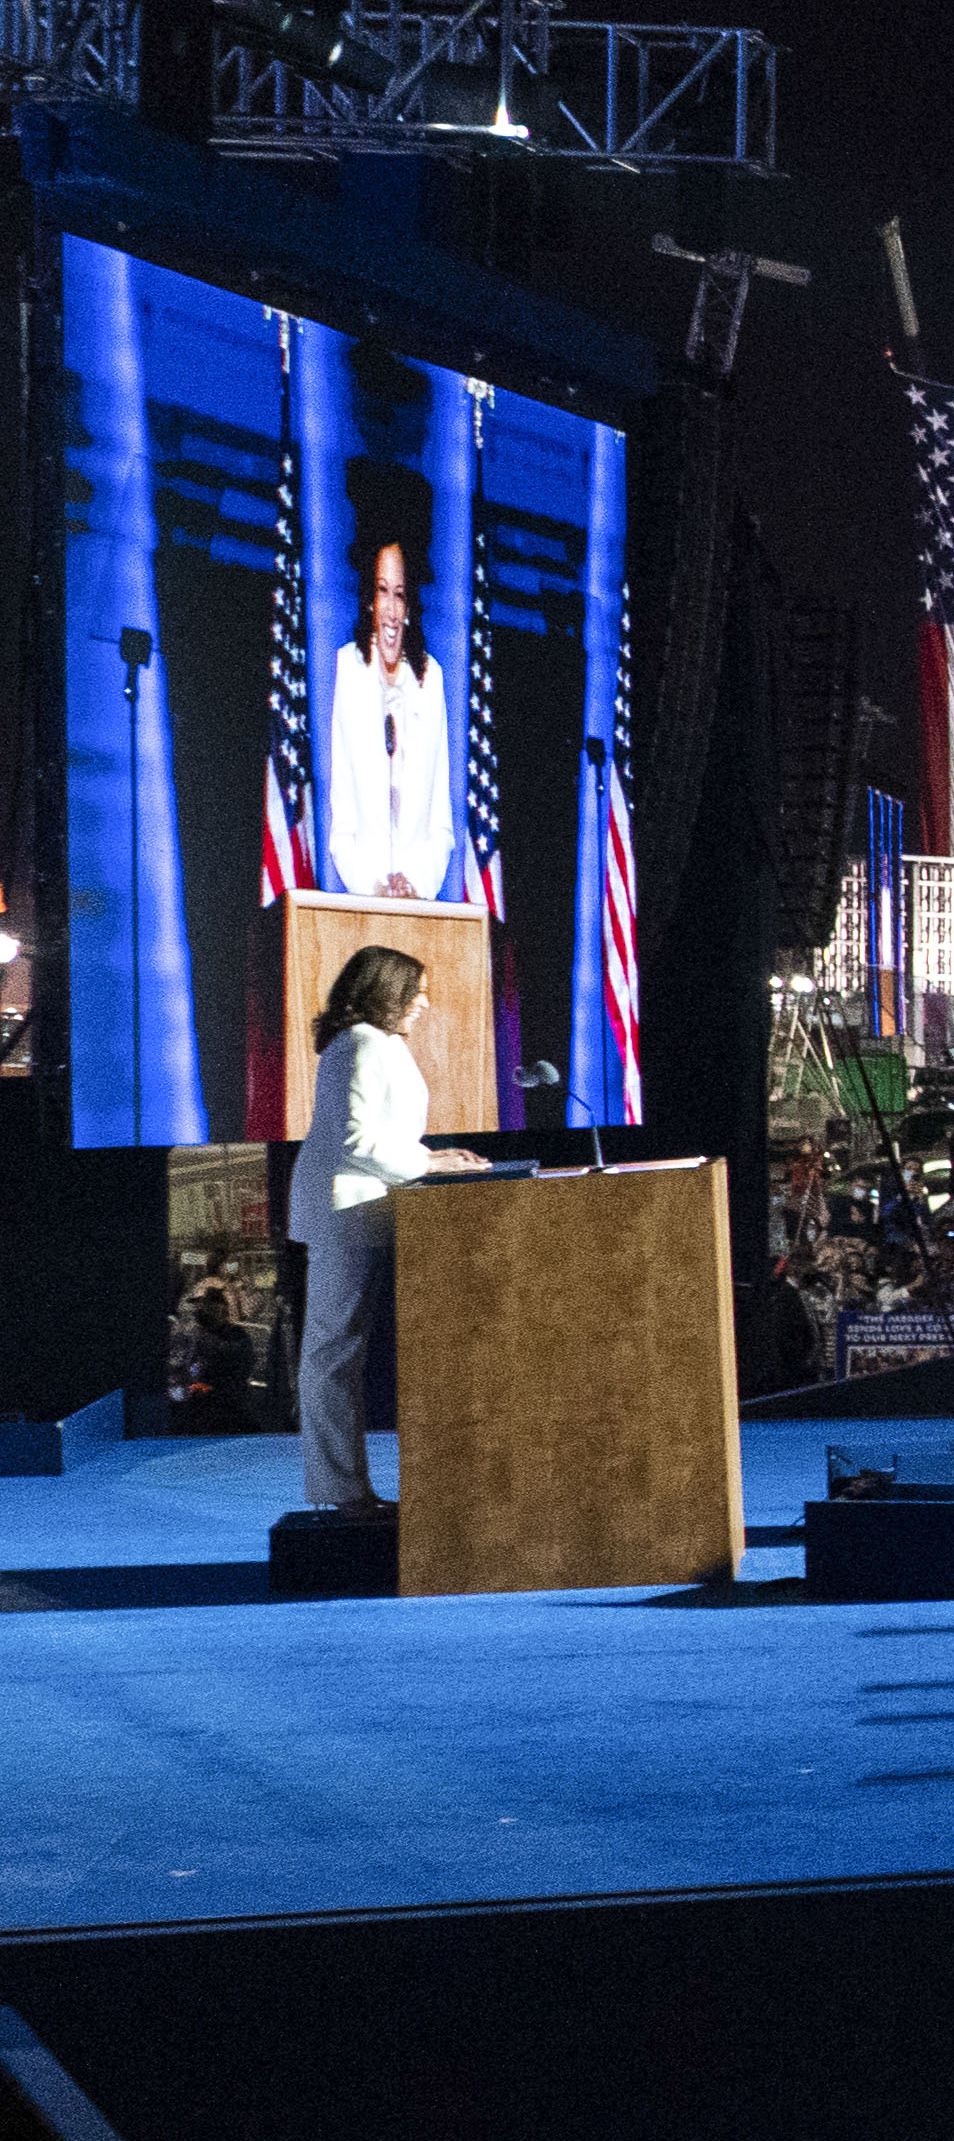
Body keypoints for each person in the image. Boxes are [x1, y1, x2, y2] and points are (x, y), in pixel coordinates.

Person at [286, 940, 472, 1513]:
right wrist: (426, 1164)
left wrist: (433, 1159)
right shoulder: (360, 1043)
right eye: (415, 991)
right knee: (332, 1356)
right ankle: (341, 1493)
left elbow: (381, 1136)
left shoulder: (380, 1043)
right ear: (385, 991)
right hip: (348, 1212)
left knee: (340, 1353)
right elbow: (355, 1140)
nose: (424, 1002)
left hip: (370, 1210)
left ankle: (347, 1491)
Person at [320, 529, 457, 900]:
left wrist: (416, 885)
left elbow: (441, 822)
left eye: (400, 595)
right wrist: (374, 888)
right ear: (368, 600)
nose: (392, 611)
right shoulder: (348, 669)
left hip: (420, 901)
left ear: (411, 606)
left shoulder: (432, 679)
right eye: (382, 591)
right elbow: (343, 819)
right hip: (365, 897)